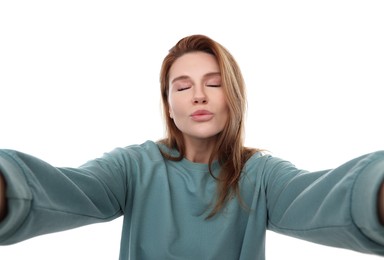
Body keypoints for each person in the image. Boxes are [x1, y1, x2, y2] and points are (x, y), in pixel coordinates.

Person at [0, 34, 384, 259]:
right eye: (182, 87)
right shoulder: (134, 166)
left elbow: (326, 200)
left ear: (232, 95)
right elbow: (68, 191)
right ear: (168, 104)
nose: (199, 96)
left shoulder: (262, 175)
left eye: (213, 84)